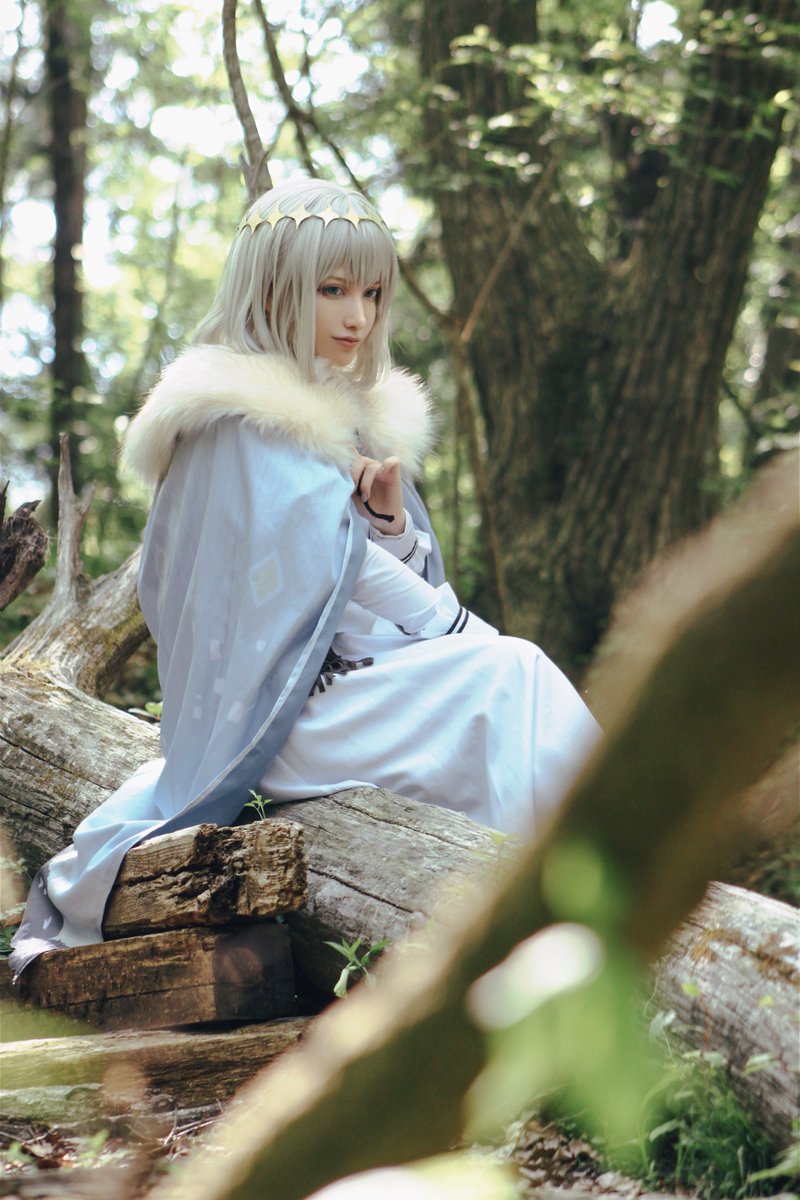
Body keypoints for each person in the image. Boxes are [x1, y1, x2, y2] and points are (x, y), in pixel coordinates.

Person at [9, 178, 599, 975]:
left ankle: (557, 897)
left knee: (506, 676)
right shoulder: (236, 421)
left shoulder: (341, 414)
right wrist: (455, 627)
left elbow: (364, 580)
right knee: (509, 672)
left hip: (343, 687)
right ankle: (577, 902)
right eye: (332, 291)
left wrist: (389, 524)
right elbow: (331, 577)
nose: (358, 317)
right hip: (277, 716)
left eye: (372, 294)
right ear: (274, 287)